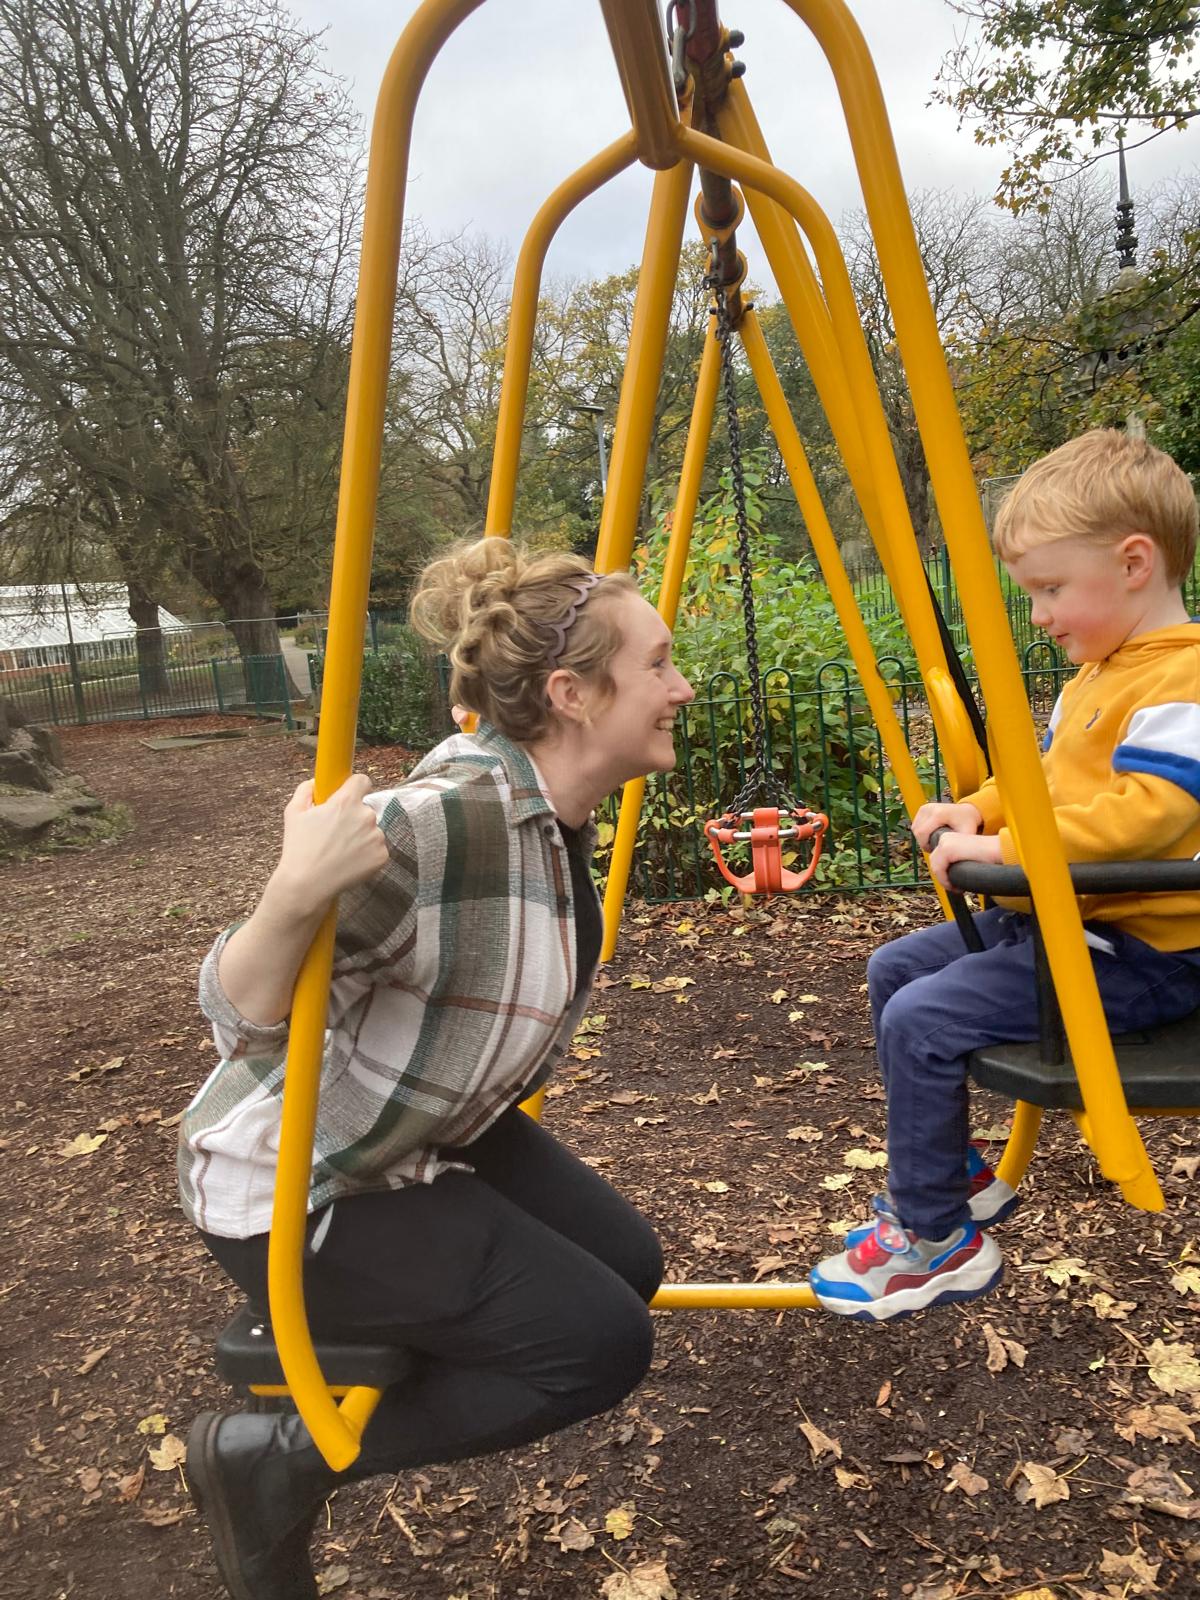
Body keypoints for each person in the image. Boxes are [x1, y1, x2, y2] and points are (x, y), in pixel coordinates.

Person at [177, 536, 695, 1598]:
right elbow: (233, 1010)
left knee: (627, 1264)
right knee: (596, 1345)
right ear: (572, 693)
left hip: (413, 1132)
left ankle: (425, 1313)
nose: (680, 687)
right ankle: (274, 1465)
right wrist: (288, 894)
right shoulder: (440, 821)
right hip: (295, 1184)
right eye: (658, 664)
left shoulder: (550, 813)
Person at [810, 428, 1200, 1320]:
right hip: (1068, 926)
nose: (1039, 615)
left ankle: (937, 1234)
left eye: (1052, 589)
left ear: (1134, 562)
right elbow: (1043, 779)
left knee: (922, 1016)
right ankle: (954, 1173)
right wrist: (980, 809)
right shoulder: (1096, 677)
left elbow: (1151, 816)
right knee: (894, 969)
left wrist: (1006, 853)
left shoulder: (1184, 680)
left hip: (1144, 951)